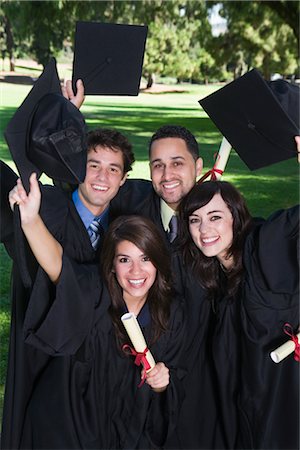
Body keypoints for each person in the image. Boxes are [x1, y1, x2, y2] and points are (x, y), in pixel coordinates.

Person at [9, 181, 186, 448]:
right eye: (125, 260)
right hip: (69, 424)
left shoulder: (173, 313)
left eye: (145, 259)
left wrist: (162, 384)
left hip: (130, 433)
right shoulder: (96, 293)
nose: (136, 272)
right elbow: (59, 266)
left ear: (159, 262)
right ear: (112, 265)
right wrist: (31, 221)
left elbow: (174, 391)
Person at [1, 126, 135, 449]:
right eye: (92, 165)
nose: (102, 177)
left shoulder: (126, 222)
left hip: (102, 370)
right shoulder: (44, 207)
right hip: (43, 357)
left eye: (112, 169)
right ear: (77, 168)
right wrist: (26, 218)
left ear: (123, 180)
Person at [179, 178, 299, 449]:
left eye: (215, 216)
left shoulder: (263, 250)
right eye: (195, 220)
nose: (204, 229)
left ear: (236, 216)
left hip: (285, 406)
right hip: (245, 415)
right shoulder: (216, 279)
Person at [113, 124, 203, 246]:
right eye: (158, 165)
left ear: (198, 167)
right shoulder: (126, 199)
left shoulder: (214, 216)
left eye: (177, 163)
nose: (167, 176)